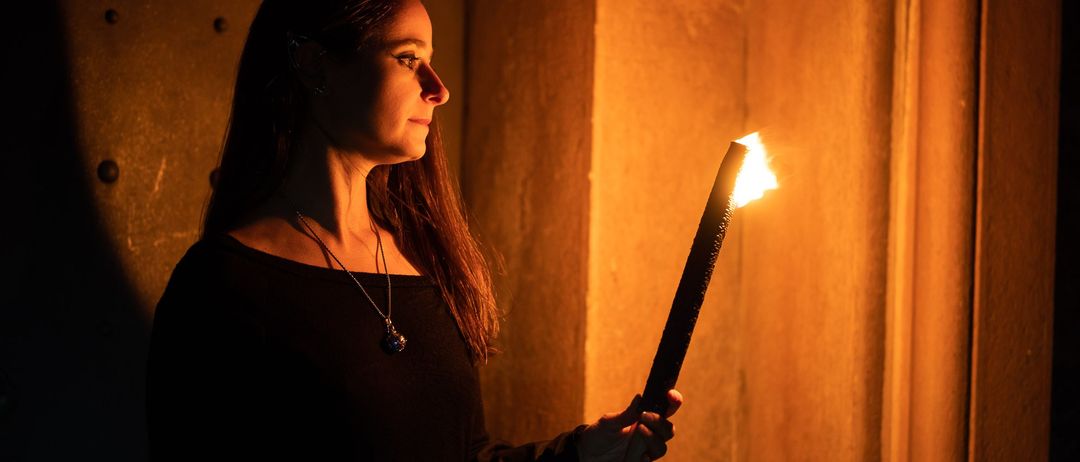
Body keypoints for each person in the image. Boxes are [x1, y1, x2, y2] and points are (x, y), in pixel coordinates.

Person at [146, 0, 683, 460]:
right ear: (314, 63)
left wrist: (580, 453)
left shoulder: (422, 259)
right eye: (409, 59)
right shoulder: (223, 286)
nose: (439, 89)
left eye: (431, 61)